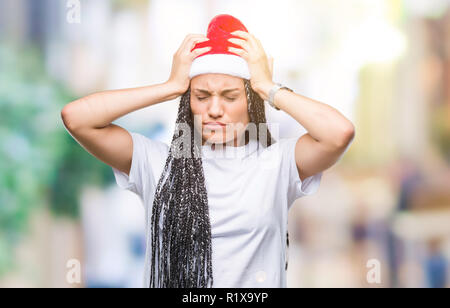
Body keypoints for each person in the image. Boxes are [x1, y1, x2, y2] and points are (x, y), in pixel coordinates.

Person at [61, 14, 355, 288]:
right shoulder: (156, 162)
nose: (215, 109)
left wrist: (268, 87)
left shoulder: (276, 163)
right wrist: (169, 86)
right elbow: (77, 118)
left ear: (250, 101)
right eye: (201, 96)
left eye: (230, 97)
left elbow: (338, 133)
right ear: (188, 102)